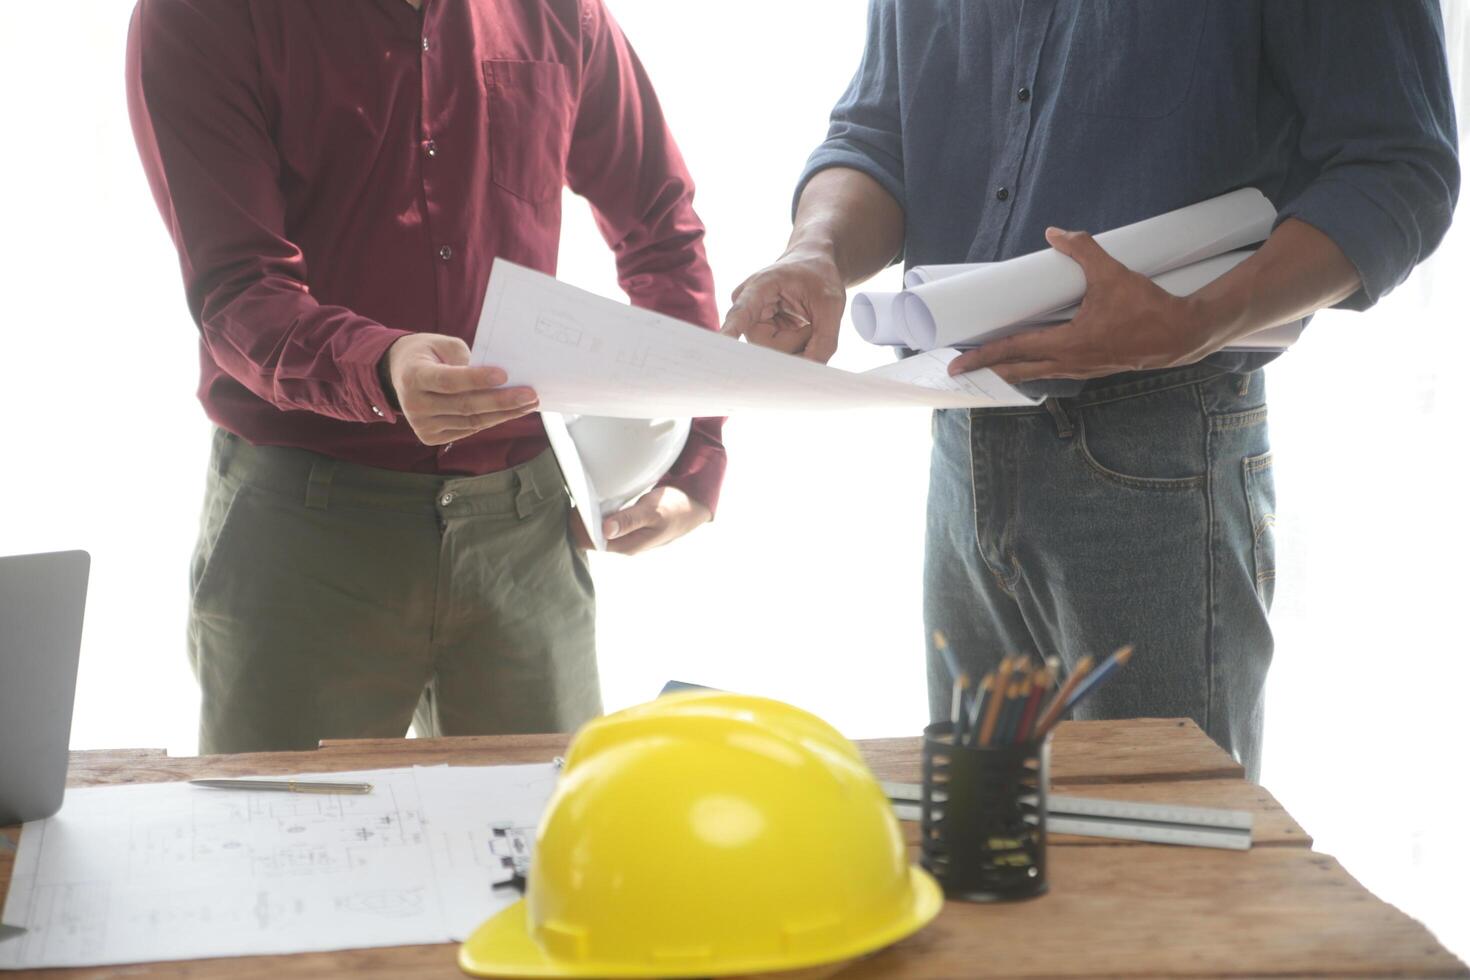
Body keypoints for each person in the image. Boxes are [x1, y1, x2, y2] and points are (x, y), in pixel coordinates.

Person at [724, 1, 1459, 778]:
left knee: (1165, 859)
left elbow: (1398, 168)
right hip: (961, 437)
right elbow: (875, 135)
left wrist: (1195, 321)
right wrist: (816, 252)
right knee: (986, 848)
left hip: (1159, 453)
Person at [125, 0, 725, 754]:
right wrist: (381, 366)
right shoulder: (203, 15)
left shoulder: (563, 12)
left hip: (526, 535)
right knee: (289, 859)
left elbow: (661, 228)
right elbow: (237, 289)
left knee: (549, 855)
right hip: (305, 538)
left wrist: (695, 448)